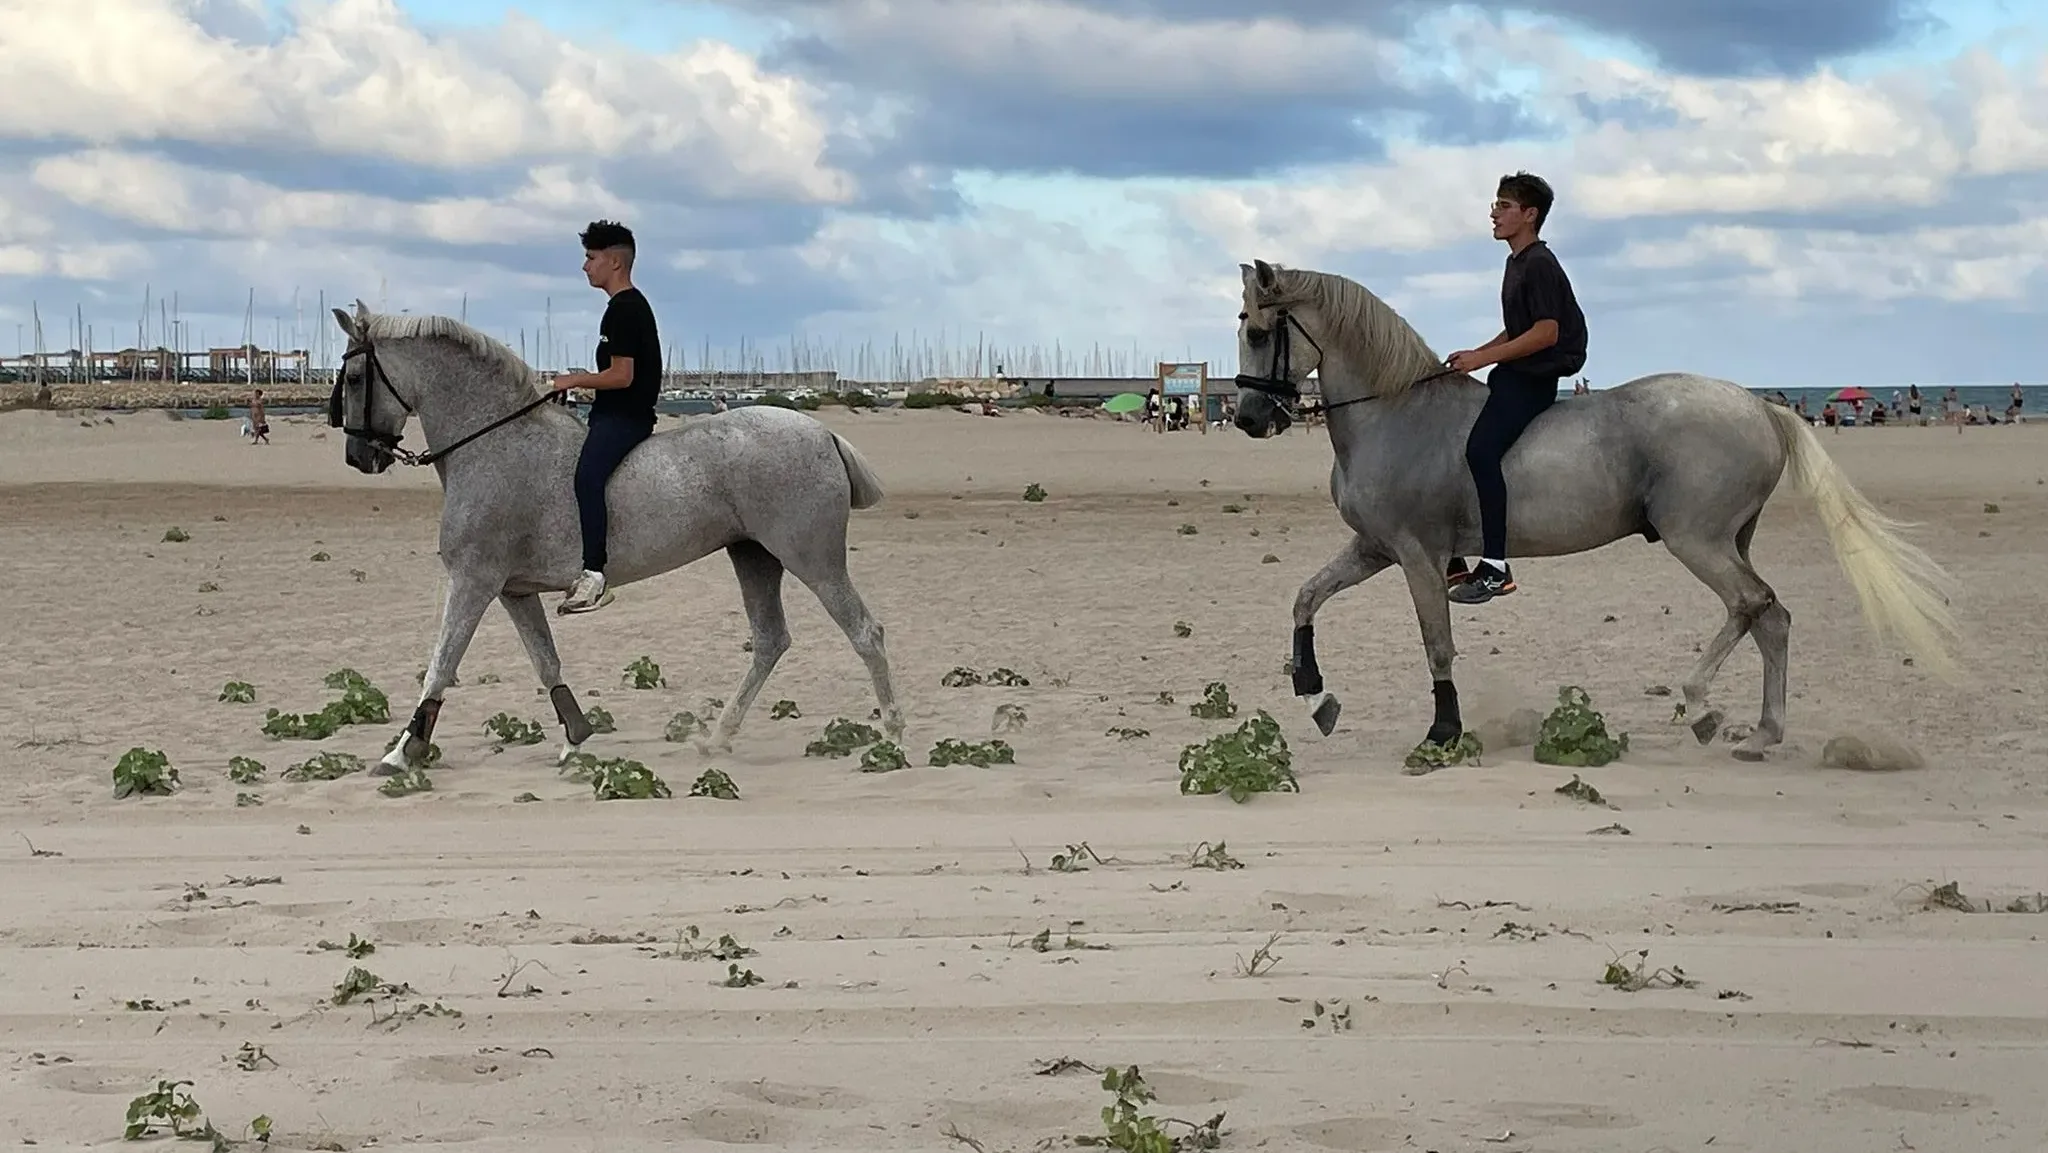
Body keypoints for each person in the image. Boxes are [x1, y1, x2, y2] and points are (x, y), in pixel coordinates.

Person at [1442, 171, 1588, 605]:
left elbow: (1545, 333)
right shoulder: (1517, 262)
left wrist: (1482, 360)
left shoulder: (1539, 263)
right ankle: (1452, 554)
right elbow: (1515, 331)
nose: (1493, 213)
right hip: (1514, 373)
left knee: (1481, 451)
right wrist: (1474, 353)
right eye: (1495, 204)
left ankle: (1495, 568)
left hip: (1535, 379)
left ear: (1530, 215)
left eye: (1503, 206)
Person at [552, 220, 662, 614]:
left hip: (626, 418)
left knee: (588, 477)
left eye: (591, 257)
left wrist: (574, 378)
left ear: (614, 261)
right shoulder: (623, 308)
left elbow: (622, 376)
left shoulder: (625, 309)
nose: (585, 266)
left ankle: (594, 575)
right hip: (611, 412)